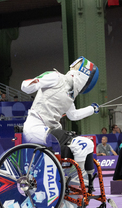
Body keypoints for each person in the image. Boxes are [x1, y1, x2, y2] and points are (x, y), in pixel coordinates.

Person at [21, 56, 99, 192]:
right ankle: (75, 183)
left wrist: (92, 109)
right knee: (78, 142)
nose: (72, 67)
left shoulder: (70, 95)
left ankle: (86, 184)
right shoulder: (56, 77)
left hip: (51, 133)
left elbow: (73, 115)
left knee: (87, 144)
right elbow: (26, 86)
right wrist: (34, 83)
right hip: (36, 128)